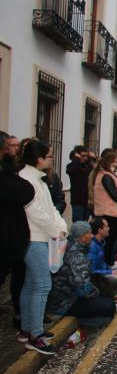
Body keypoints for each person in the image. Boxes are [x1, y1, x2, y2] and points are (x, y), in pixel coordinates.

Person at [18, 139, 68, 355]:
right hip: (34, 238)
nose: (52, 159)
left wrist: (61, 226)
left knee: (31, 285)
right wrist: (55, 230)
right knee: (42, 285)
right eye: (49, 155)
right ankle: (35, 336)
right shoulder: (27, 179)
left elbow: (50, 209)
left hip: (41, 236)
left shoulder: (38, 179)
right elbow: (35, 212)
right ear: (39, 159)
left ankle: (27, 329)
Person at [47, 222, 117, 320]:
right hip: (65, 303)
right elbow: (83, 289)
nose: (92, 236)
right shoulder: (76, 256)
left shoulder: (72, 246)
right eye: (89, 233)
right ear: (82, 237)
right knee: (109, 305)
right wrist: (98, 293)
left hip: (68, 296)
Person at [0, 132, 34, 331]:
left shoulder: (11, 172)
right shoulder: (12, 174)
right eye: (11, 146)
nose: (14, 150)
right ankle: (22, 316)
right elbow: (24, 193)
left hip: (13, 239)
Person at [66, 146, 92, 222]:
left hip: (87, 201)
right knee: (78, 224)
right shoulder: (73, 166)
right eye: (83, 156)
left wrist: (93, 158)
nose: (85, 158)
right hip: (77, 201)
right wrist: (76, 159)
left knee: (85, 224)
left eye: (86, 156)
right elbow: (70, 170)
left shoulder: (87, 166)